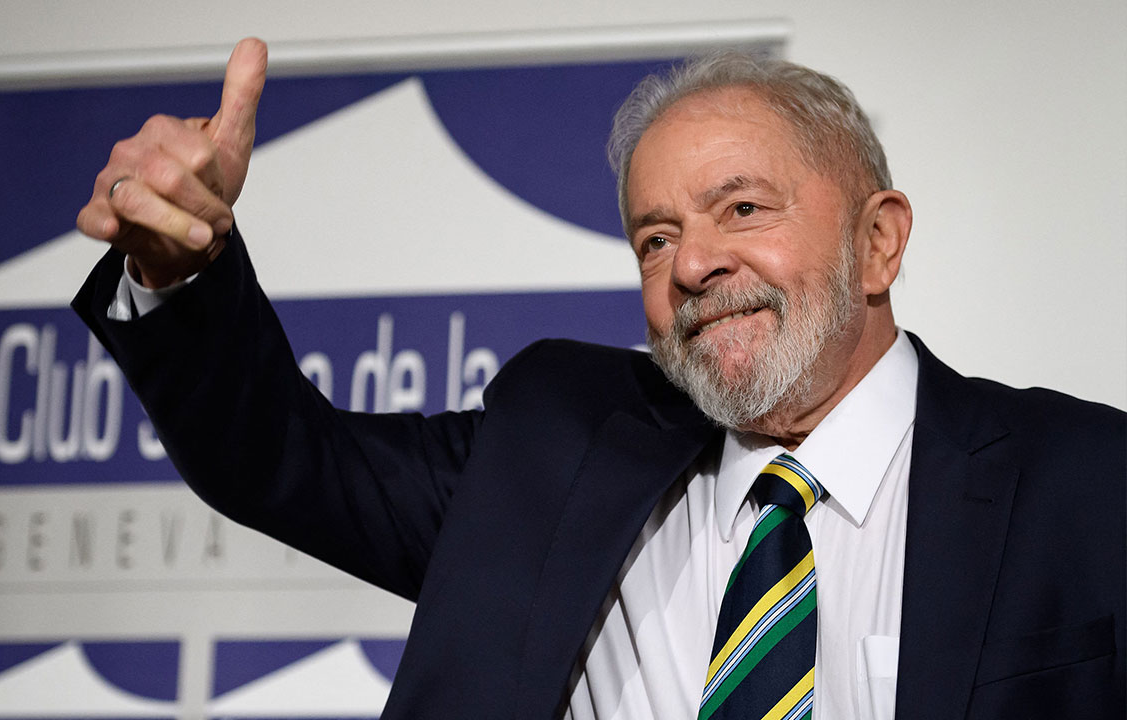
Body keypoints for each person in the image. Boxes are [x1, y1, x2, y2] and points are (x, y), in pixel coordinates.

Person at [73, 38, 1125, 720]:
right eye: (654, 238)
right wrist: (182, 268)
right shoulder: (553, 439)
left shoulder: (1088, 483)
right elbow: (282, 459)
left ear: (878, 242)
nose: (692, 264)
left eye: (741, 209)